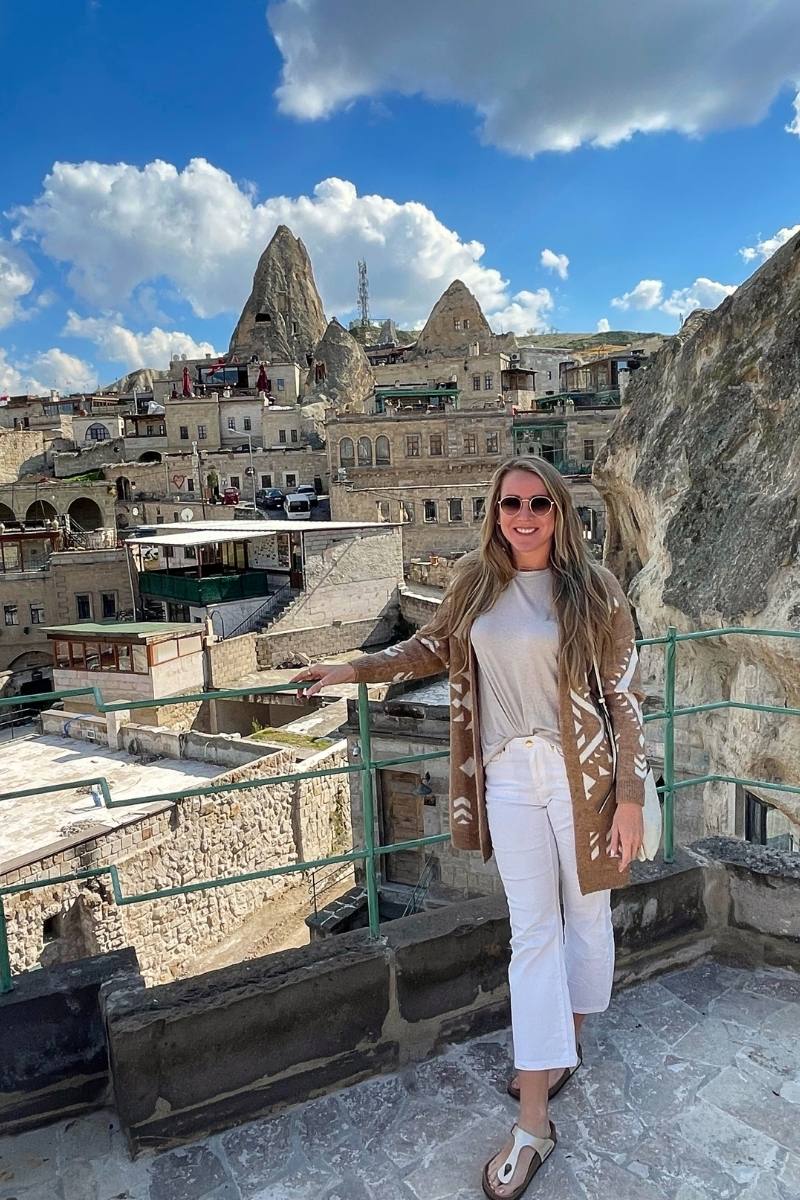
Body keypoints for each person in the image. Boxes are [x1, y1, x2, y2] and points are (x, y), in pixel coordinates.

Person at [292, 455, 646, 1200]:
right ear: (494, 513)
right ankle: (533, 1119)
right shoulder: (475, 585)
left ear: (560, 512)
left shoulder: (596, 590)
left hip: (583, 778)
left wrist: (631, 798)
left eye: (539, 504)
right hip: (509, 777)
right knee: (532, 931)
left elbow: (623, 698)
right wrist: (347, 670)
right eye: (510, 504)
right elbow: (426, 649)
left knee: (586, 913)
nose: (524, 516)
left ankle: (568, 1042)